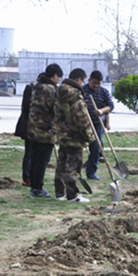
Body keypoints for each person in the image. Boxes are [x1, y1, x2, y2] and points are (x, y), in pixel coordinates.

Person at [54, 68, 95, 203]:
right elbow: (81, 117)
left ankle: (60, 192)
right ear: (78, 79)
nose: (83, 84)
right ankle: (72, 195)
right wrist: (89, 136)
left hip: (62, 134)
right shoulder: (75, 95)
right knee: (73, 166)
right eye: (83, 81)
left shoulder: (60, 92)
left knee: (62, 163)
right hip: (74, 136)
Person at [27, 64, 63, 198]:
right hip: (46, 130)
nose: (59, 80)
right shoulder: (52, 90)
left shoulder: (37, 87)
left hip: (33, 128)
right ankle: (38, 188)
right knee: (42, 161)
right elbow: (56, 109)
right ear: (54, 76)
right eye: (59, 77)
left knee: (34, 159)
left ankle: (33, 187)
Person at [83, 70, 114, 180]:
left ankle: (91, 172)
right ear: (89, 80)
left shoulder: (104, 92)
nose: (96, 85)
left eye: (98, 83)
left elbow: (110, 106)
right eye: (94, 83)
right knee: (76, 147)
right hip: (83, 123)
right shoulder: (82, 91)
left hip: (97, 124)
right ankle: (75, 171)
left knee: (96, 148)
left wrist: (101, 111)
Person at [14, 73, 43, 187]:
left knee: (34, 153)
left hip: (36, 127)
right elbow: (27, 107)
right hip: (29, 126)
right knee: (30, 153)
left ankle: (32, 177)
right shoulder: (32, 89)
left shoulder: (38, 89)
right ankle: (26, 178)